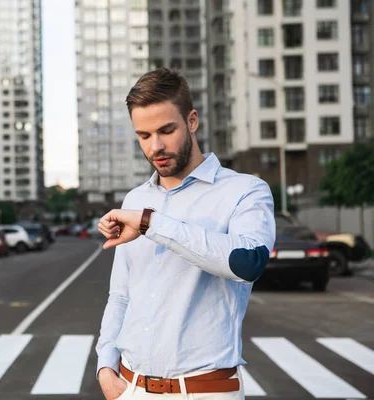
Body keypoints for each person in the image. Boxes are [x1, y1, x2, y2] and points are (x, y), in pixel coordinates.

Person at [95, 68, 276, 400]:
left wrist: (151, 223)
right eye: (144, 135)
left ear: (192, 121)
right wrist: (106, 366)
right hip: (131, 388)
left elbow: (248, 263)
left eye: (167, 130)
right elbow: (120, 295)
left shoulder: (245, 191)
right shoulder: (135, 200)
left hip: (206, 390)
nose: (156, 146)